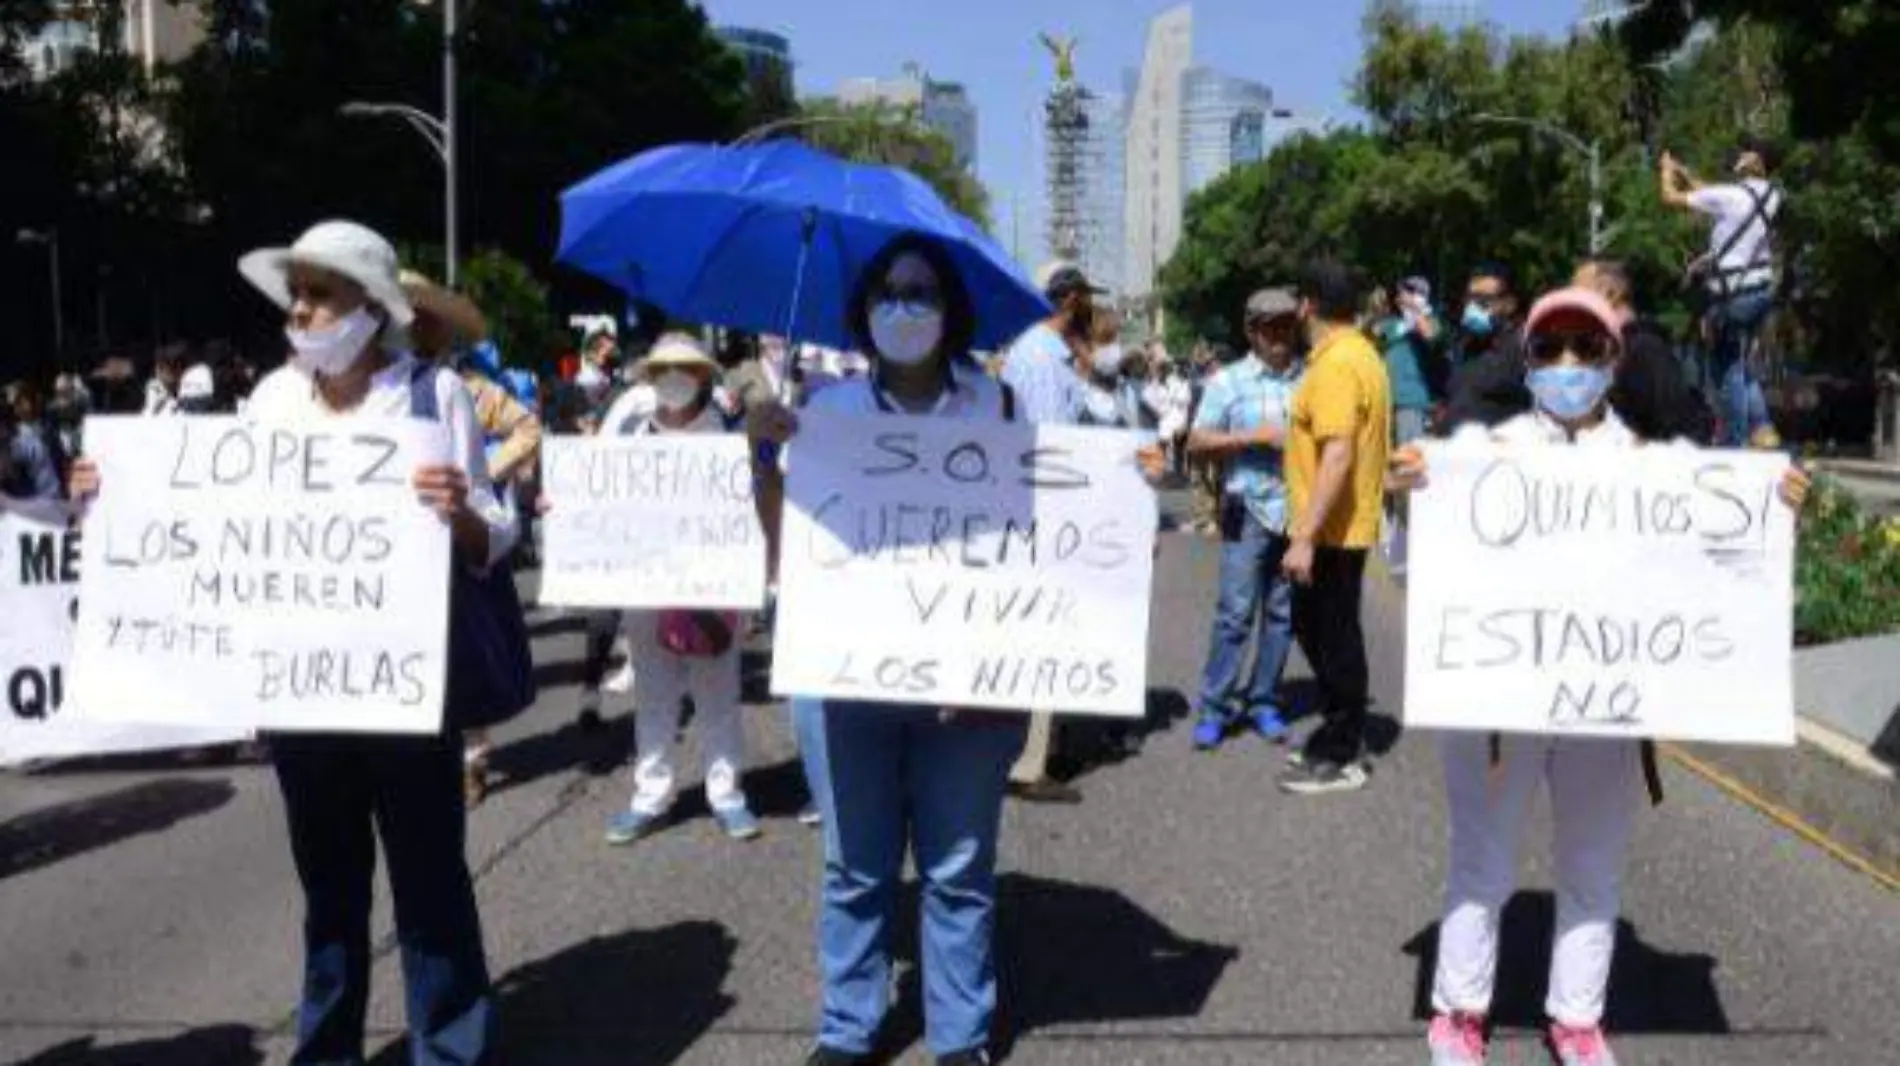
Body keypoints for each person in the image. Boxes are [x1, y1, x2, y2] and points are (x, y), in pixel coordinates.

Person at [75, 220, 510, 1065]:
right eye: (297, 294)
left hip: (406, 692)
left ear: (371, 308)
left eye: (320, 295)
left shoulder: (434, 397)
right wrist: (110, 489)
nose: (302, 311)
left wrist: (458, 512)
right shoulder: (272, 399)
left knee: (432, 886)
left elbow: (498, 534)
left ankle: (450, 1046)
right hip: (305, 698)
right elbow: (209, 521)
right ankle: (327, 1048)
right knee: (329, 891)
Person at [1392, 286, 1809, 1066]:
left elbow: (1725, 555)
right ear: (1528, 362)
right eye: (1550, 349)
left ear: (1615, 363)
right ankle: (1459, 1010)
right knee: (1481, 858)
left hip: (1606, 707)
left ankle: (1577, 1018)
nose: (1569, 364)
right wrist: (1413, 497)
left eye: (1588, 347)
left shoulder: (1663, 471)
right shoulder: (1483, 456)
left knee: (1594, 862)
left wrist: (1776, 505)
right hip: (1499, 704)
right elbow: (1416, 565)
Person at [751, 233, 1031, 1066]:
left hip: (967, 685)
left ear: (952, 310)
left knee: (958, 869)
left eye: (922, 291)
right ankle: (848, 1028)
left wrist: (1127, 492)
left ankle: (960, 1035)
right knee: (855, 869)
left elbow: (1046, 543)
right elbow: (782, 549)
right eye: (888, 290)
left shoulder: (1002, 409)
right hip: (845, 682)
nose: (904, 307)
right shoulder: (824, 415)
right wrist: (766, 458)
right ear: (863, 310)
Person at [590, 333, 763, 845]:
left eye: (684, 368)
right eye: (662, 368)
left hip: (710, 588)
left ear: (705, 377)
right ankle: (651, 795)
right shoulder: (627, 441)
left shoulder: (731, 442)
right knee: (653, 694)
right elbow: (596, 501)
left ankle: (727, 793)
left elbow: (754, 512)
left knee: (718, 694)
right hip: (645, 588)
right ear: (648, 376)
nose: (673, 377)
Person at [403, 270, 544, 804]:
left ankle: (471, 757)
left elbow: (526, 427)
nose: (416, 325)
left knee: (465, 645)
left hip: (460, 527)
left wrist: (483, 468)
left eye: (424, 317)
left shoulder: (465, 386)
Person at [1277, 260, 1391, 795]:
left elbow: (1339, 451)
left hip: (1331, 529)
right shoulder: (1359, 354)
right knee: (1317, 625)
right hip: (1339, 524)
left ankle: (1345, 750)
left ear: (1308, 306)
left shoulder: (1337, 365)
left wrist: (1303, 536)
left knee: (1333, 634)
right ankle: (1338, 730)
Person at [1185, 288, 1304, 751]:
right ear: (1251, 331)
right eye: (1269, 327)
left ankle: (1264, 701)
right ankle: (1214, 707)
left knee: (1282, 614)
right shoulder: (1227, 382)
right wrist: (1256, 436)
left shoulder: (1309, 380)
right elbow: (1195, 442)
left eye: (1286, 326)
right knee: (1235, 614)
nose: (1279, 335)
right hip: (1246, 507)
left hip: (1295, 512)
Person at [1661, 136, 1784, 448]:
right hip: (1761, 291)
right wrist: (1685, 171)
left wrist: (1666, 170)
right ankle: (1764, 430)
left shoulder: (1731, 197)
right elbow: (1711, 193)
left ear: (1756, 161)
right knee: (1742, 366)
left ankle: (1735, 443)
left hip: (1734, 295)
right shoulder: (1770, 196)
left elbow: (1671, 198)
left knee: (1725, 366)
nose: (1739, 155)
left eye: (1746, 152)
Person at [1571, 259, 1714, 444]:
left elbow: (1679, 429)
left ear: (1610, 293)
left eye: (1578, 291)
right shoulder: (1610, 350)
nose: (1571, 300)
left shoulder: (1643, 349)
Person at [999, 260, 1102, 425]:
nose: (1091, 309)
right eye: (1087, 298)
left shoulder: (1048, 349)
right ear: (1072, 298)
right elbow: (1050, 438)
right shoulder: (1044, 357)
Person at [1441, 263, 1527, 431]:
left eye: (1483, 300)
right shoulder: (1464, 346)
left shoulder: (1522, 351)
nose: (1472, 307)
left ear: (1509, 304)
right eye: (1469, 298)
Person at [4, 381, 65, 501]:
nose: (25, 405)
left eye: (25, 399)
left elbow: (60, 461)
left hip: (57, 498)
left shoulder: (49, 430)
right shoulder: (14, 439)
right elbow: (12, 475)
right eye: (18, 403)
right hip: (33, 503)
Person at [143, 343, 189, 416]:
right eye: (160, 367)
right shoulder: (154, 387)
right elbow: (149, 415)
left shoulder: (189, 387)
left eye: (174, 366)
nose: (170, 371)